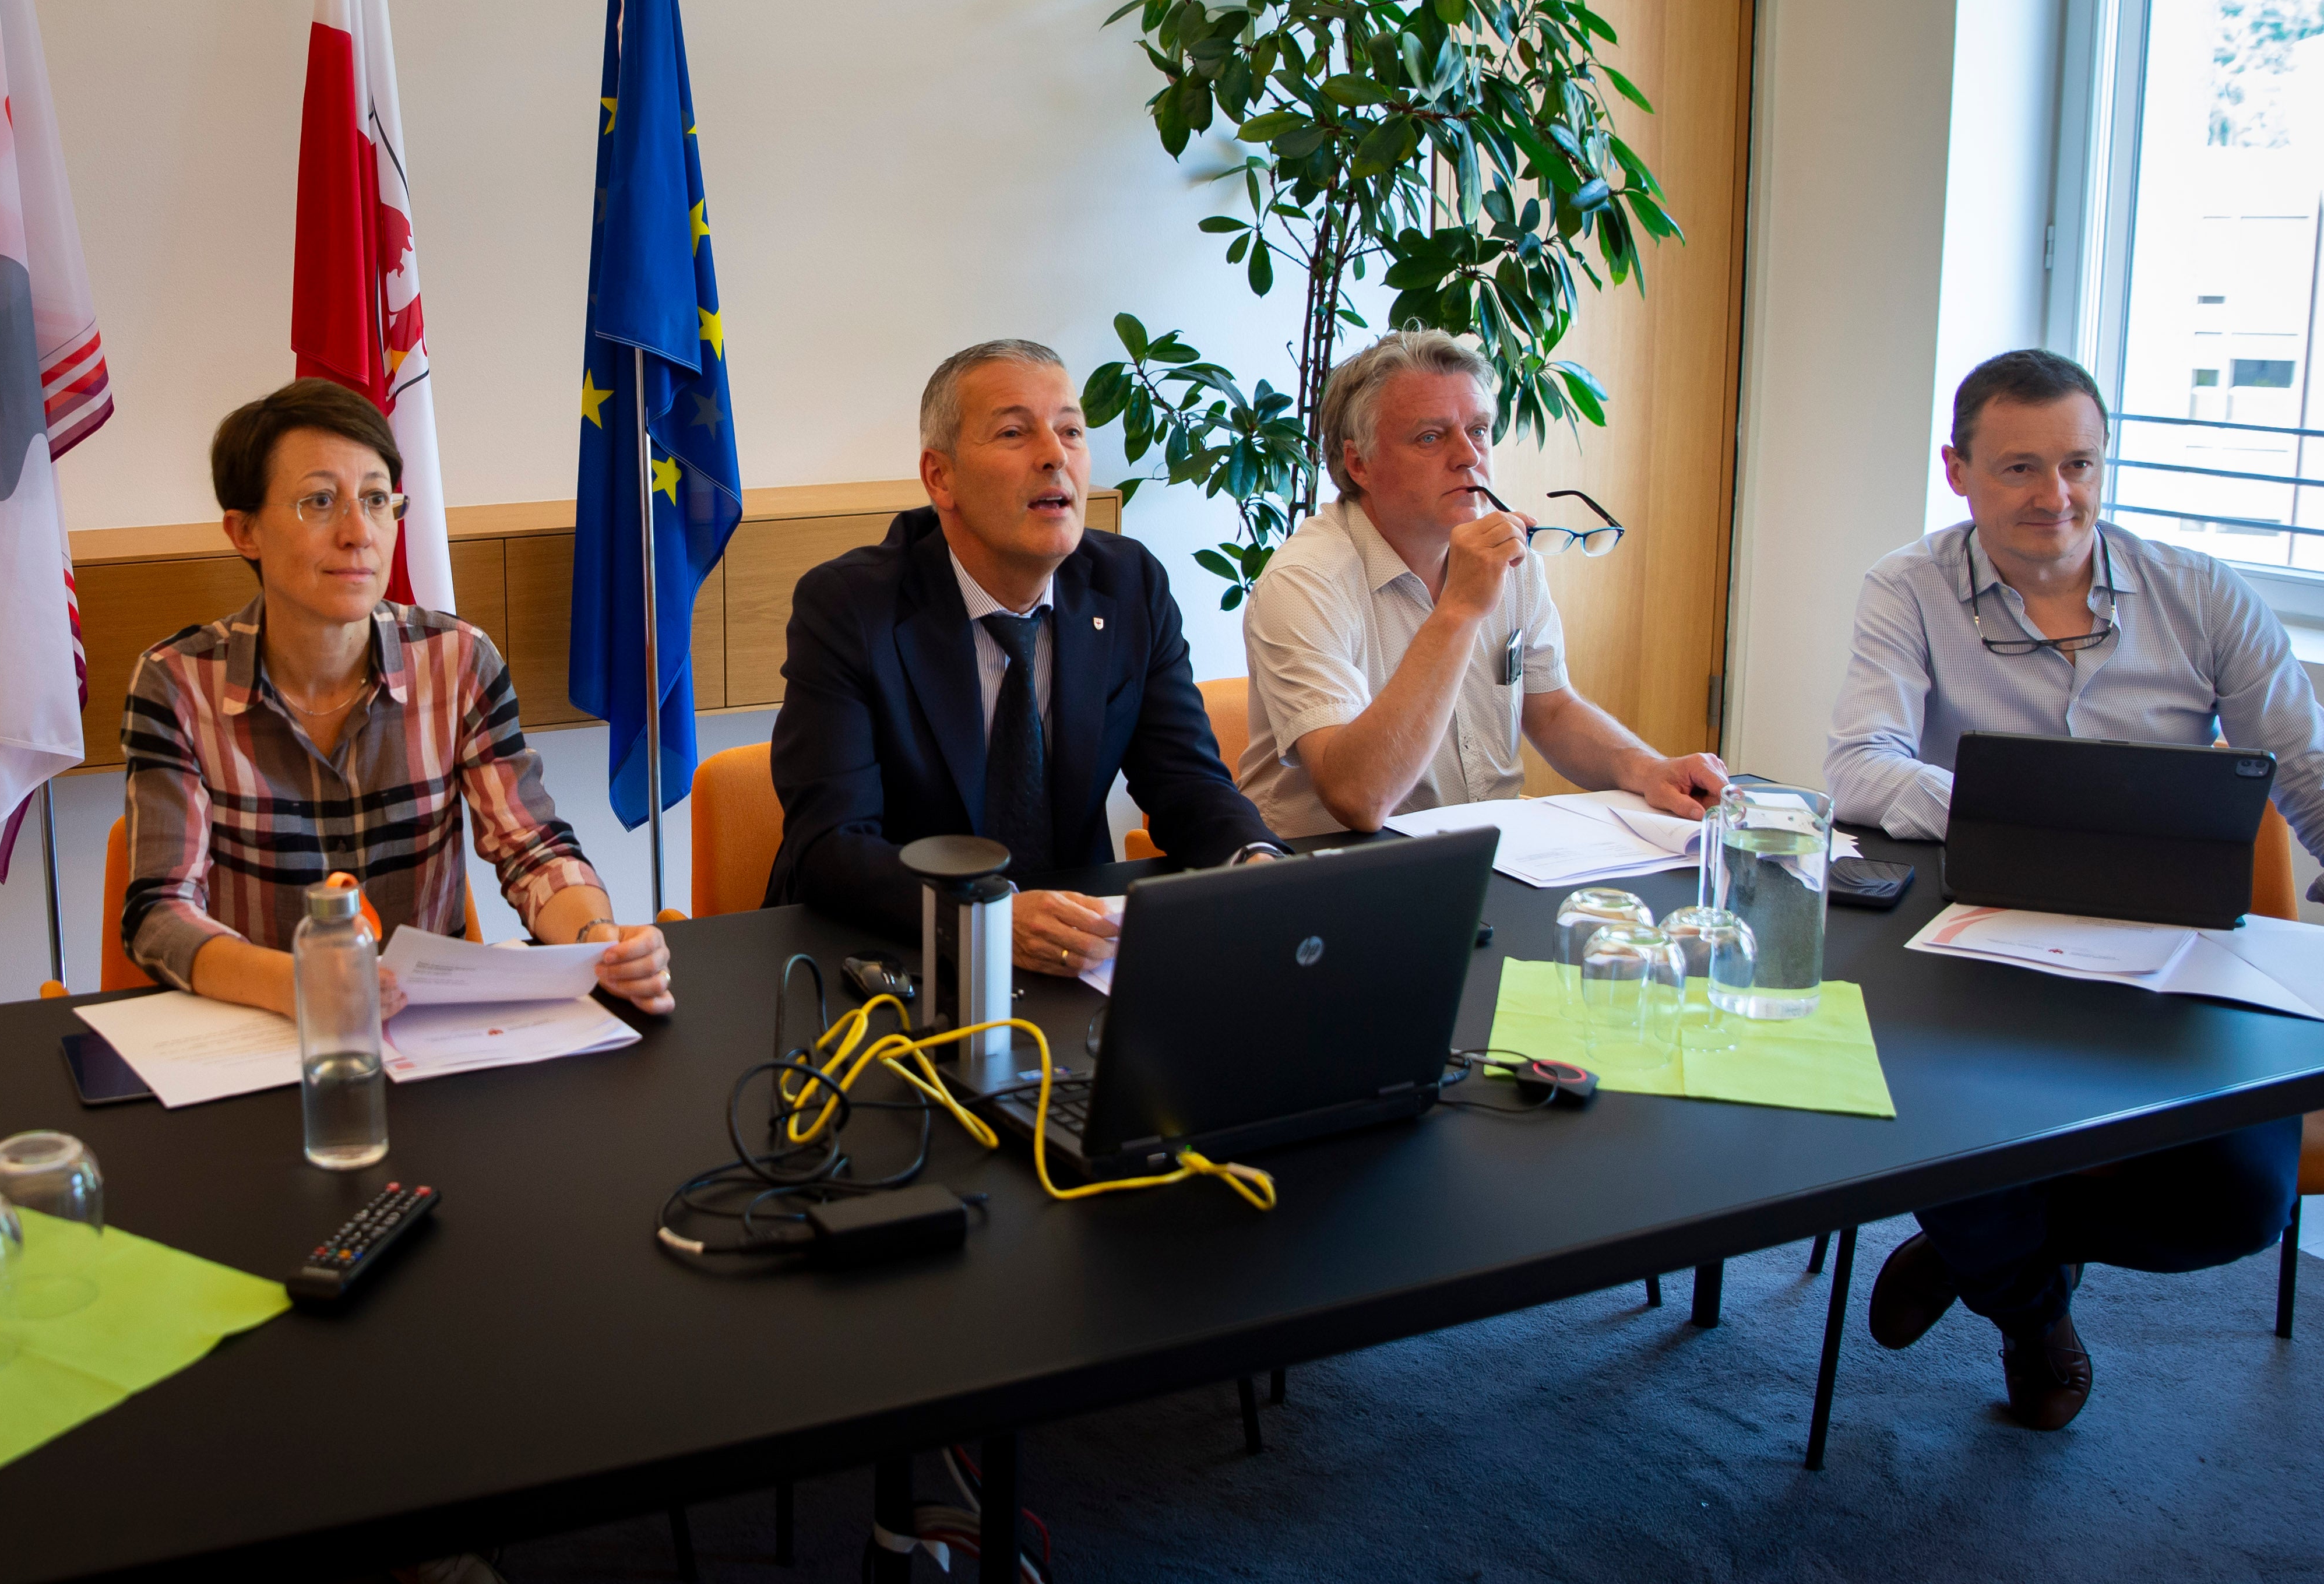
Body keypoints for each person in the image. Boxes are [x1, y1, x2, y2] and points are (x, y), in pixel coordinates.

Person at [1825, 346, 2312, 1430]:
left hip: (2176, 952)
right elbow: (1860, 766)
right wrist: (2024, 817)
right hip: (1974, 939)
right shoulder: (1908, 587)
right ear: (1958, 471)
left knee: (2242, 1203)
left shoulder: (2201, 592)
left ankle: (1981, 1250)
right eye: (2021, 468)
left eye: (2080, 464)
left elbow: (2305, 768)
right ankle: (2030, 1311)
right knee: (1922, 1134)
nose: (2058, 496)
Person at [121, 379, 673, 1022]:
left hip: (428, 1027)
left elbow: (531, 848)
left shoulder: (458, 660)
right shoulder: (176, 684)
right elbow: (160, 911)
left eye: (377, 499)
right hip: (262, 1027)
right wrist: (298, 985)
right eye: (320, 501)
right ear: (244, 531)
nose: (359, 532)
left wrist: (597, 941)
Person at [766, 339, 1280, 970]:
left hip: (1075, 948)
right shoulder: (850, 606)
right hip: (890, 957)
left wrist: (1255, 861)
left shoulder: (1128, 586)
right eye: (1014, 432)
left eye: (1071, 431)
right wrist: (986, 920)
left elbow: (1186, 782)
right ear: (940, 477)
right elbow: (832, 847)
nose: (1054, 455)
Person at [1238, 328, 1727, 839]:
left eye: (1478, 430)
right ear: (1360, 463)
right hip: (1337, 866)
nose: (1469, 456)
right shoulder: (1304, 583)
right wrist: (1459, 609)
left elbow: (1552, 710)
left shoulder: (1510, 557)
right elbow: (1358, 799)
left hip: (1488, 855)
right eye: (1431, 437)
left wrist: (1648, 769)